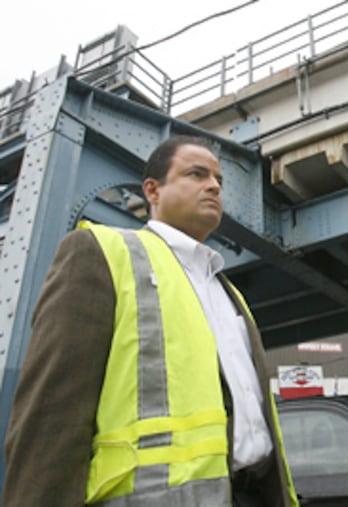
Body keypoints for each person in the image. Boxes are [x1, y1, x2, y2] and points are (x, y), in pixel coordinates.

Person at [3, 136, 299, 507]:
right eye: (197, 174)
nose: (213, 186)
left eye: (219, 181)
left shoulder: (230, 295)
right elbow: (50, 416)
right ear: (152, 191)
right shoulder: (102, 252)